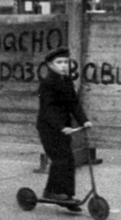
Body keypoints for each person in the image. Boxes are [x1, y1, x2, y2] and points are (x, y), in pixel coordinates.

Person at [36, 47, 92, 205]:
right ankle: (52, 192)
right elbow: (47, 110)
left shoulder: (67, 81)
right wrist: (61, 126)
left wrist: (84, 120)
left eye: (66, 62)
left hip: (64, 128)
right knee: (60, 159)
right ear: (50, 65)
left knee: (68, 160)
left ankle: (67, 196)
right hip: (49, 128)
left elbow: (74, 104)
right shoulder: (47, 84)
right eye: (59, 62)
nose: (63, 65)